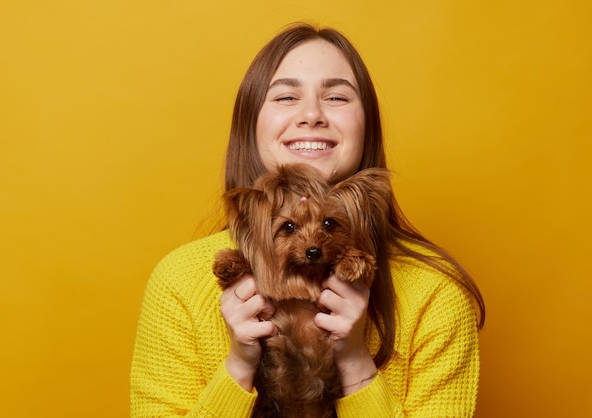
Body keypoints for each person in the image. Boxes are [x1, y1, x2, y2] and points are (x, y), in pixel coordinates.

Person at [130, 23, 485, 417]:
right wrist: (237, 367)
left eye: (336, 96)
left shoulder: (436, 296)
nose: (312, 114)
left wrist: (354, 362)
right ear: (251, 122)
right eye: (285, 96)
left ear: (367, 125)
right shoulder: (180, 283)